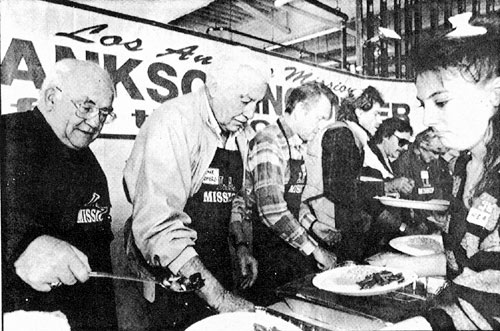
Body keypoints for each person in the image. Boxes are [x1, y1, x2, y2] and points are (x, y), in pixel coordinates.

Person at [122, 46, 270, 329]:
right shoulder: (174, 122)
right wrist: (222, 298)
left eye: (256, 103)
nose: (250, 113)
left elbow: (235, 197)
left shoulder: (239, 133)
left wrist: (240, 246)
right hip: (173, 275)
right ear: (214, 87)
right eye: (245, 100)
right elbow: (159, 225)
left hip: (216, 265)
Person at [371, 11, 500, 330]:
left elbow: (486, 305)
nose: (427, 119)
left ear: (495, 94)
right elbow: (464, 261)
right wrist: (398, 264)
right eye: (423, 103)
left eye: (441, 102)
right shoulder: (464, 165)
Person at [1, 59, 118, 330]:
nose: (95, 122)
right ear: (52, 97)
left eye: (104, 113)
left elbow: (100, 259)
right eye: (86, 107)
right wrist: (20, 246)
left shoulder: (91, 166)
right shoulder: (7, 134)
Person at [232, 81, 338, 306]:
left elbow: (292, 200)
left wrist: (312, 224)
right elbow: (272, 210)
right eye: (320, 118)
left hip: (288, 246)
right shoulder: (269, 142)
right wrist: (315, 250)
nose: (321, 127)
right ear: (299, 110)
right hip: (266, 251)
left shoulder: (297, 144)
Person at [392, 127, 453, 234]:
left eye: (440, 153)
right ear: (421, 146)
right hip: (409, 228)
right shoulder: (403, 162)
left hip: (432, 225)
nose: (437, 157)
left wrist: (440, 216)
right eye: (435, 152)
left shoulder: (440, 164)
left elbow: (442, 193)